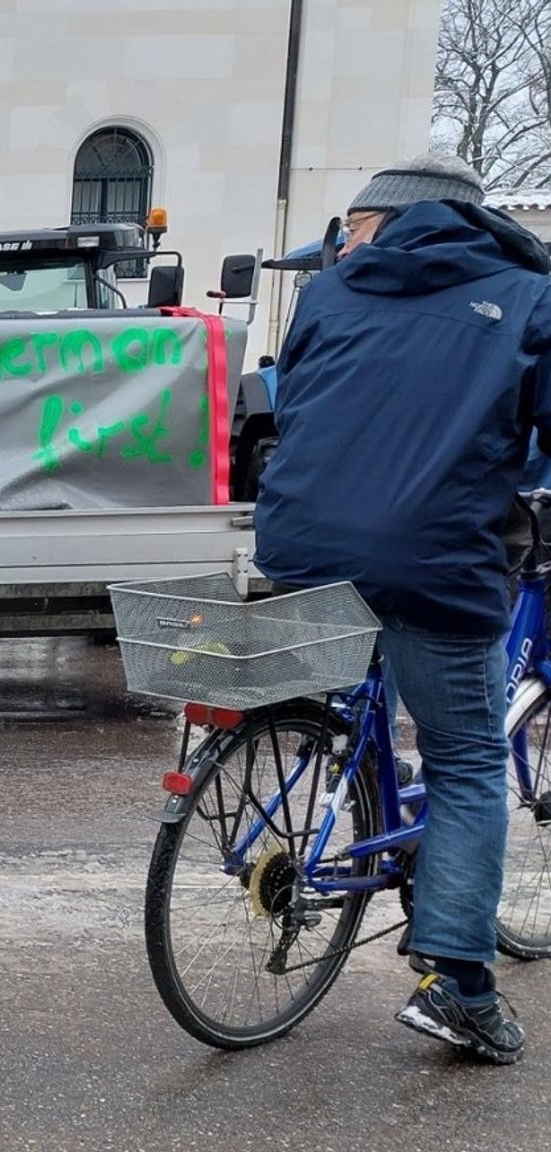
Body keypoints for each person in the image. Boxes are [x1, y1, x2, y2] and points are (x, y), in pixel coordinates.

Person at [253, 152, 551, 1065]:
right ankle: (460, 984)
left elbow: (291, 404)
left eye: (350, 227)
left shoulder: (331, 296)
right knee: (465, 759)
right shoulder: (526, 297)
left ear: (383, 221)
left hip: (302, 543)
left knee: (357, 685)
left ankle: (349, 777)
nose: (342, 242)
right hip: (434, 555)